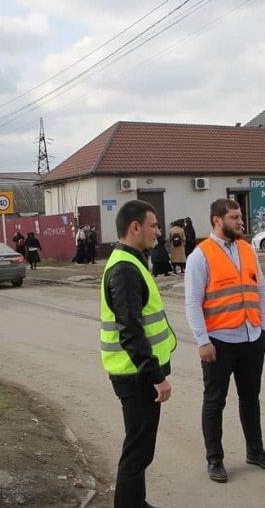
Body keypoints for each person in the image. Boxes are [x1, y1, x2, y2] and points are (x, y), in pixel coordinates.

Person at [184, 198, 265, 484]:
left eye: (241, 217)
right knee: (215, 401)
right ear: (217, 220)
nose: (241, 222)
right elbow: (192, 303)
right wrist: (202, 341)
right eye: (235, 217)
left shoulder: (248, 249)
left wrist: (264, 326)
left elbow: (260, 288)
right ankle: (215, 459)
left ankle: (255, 451)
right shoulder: (199, 256)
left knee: (251, 398)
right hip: (219, 342)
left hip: (251, 337)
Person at [100, 199, 176, 508]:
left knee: (141, 448)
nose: (158, 232)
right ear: (135, 227)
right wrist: (156, 377)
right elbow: (130, 330)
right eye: (154, 225)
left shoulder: (131, 262)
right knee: (138, 451)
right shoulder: (124, 269)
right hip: (136, 375)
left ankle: (136, 502)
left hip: (135, 372)